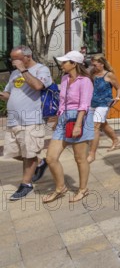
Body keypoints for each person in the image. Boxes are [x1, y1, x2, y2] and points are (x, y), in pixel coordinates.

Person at [1, 46, 53, 201]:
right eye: (11, 58)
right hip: (14, 120)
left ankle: (26, 184)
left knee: (28, 154)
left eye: (15, 58)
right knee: (15, 153)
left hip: (32, 120)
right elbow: (8, 95)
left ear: (27, 56)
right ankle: (41, 162)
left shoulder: (41, 70)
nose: (12, 61)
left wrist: (23, 70)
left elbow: (38, 86)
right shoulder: (15, 73)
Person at [43, 51, 95, 203]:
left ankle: (83, 189)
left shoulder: (85, 81)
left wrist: (78, 125)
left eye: (65, 62)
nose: (62, 64)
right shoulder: (65, 78)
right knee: (51, 158)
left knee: (80, 158)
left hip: (80, 119)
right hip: (64, 119)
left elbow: (84, 105)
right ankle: (60, 188)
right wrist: (58, 120)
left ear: (74, 64)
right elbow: (62, 102)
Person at [87, 55, 120, 163]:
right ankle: (116, 140)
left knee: (95, 126)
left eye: (95, 65)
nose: (93, 67)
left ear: (102, 64)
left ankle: (91, 153)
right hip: (93, 102)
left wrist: (117, 97)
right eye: (92, 64)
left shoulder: (109, 75)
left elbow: (119, 87)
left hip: (104, 103)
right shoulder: (92, 74)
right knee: (102, 124)